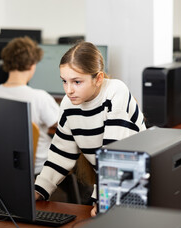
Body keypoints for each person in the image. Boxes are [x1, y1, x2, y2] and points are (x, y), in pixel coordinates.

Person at [34, 41, 146, 216]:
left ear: (98, 78)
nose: (69, 90)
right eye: (64, 81)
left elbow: (114, 157)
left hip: (137, 182)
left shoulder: (116, 92)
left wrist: (101, 200)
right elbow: (60, 156)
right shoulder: (68, 104)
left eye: (77, 82)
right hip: (109, 184)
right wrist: (38, 189)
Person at [0, 36, 59, 175]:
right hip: (38, 168)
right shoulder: (40, 97)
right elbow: (63, 125)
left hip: (2, 167)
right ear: (32, 65)